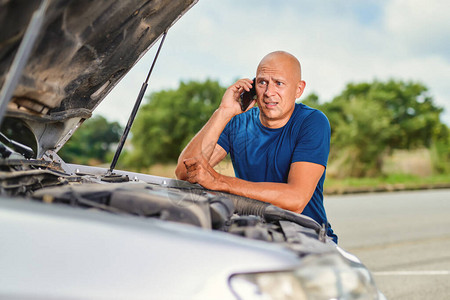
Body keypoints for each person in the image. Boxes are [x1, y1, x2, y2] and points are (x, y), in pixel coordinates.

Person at [175, 51, 337, 243]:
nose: (269, 92)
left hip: (306, 236)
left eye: (279, 83)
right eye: (262, 82)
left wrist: (219, 181)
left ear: (298, 89)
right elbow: (186, 172)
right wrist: (224, 111)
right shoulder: (237, 122)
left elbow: (296, 200)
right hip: (255, 233)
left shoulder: (312, 122)